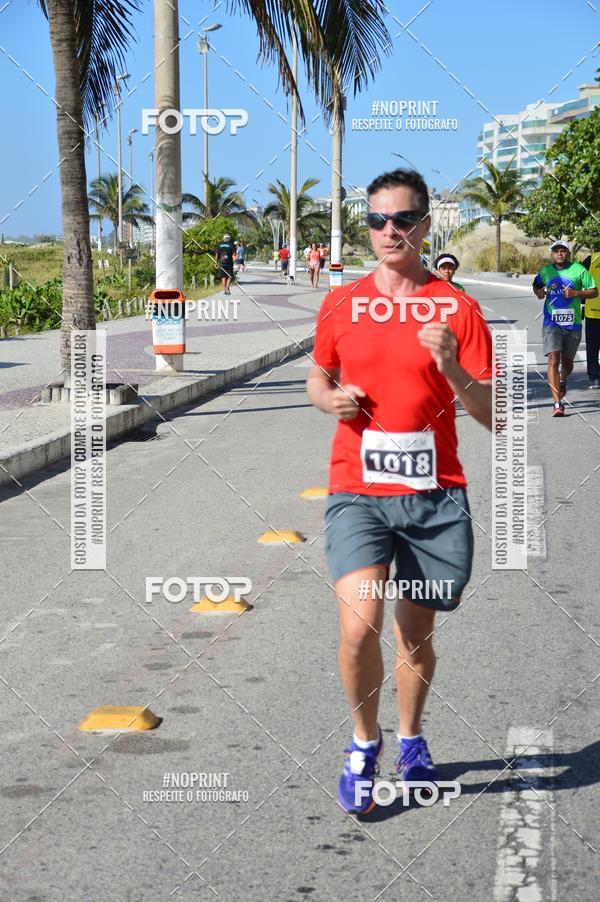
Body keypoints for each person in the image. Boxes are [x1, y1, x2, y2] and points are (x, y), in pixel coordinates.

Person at [306, 168, 493, 816]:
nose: (390, 231)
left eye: (404, 219)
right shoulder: (342, 303)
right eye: (378, 220)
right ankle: (365, 744)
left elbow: (494, 413)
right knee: (359, 629)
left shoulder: (457, 309)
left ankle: (411, 739)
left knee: (414, 636)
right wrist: (329, 397)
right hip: (357, 489)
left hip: (434, 496)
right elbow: (317, 376)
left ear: (425, 224)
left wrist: (453, 370)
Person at [532, 240, 598, 416]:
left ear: (568, 254)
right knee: (553, 359)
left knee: (567, 364)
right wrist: (538, 293)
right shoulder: (546, 271)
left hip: (573, 324)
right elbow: (536, 285)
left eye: (563, 251)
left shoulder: (578, 270)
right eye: (556, 251)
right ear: (552, 254)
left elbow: (594, 291)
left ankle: (562, 379)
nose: (559, 254)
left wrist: (576, 293)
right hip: (551, 324)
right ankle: (557, 404)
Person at [582, 250, 600, 388]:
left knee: (592, 346)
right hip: (593, 311)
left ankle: (594, 375)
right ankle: (594, 375)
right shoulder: (592, 259)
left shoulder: (592, 258)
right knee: (593, 346)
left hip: (593, 310)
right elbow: (578, 277)